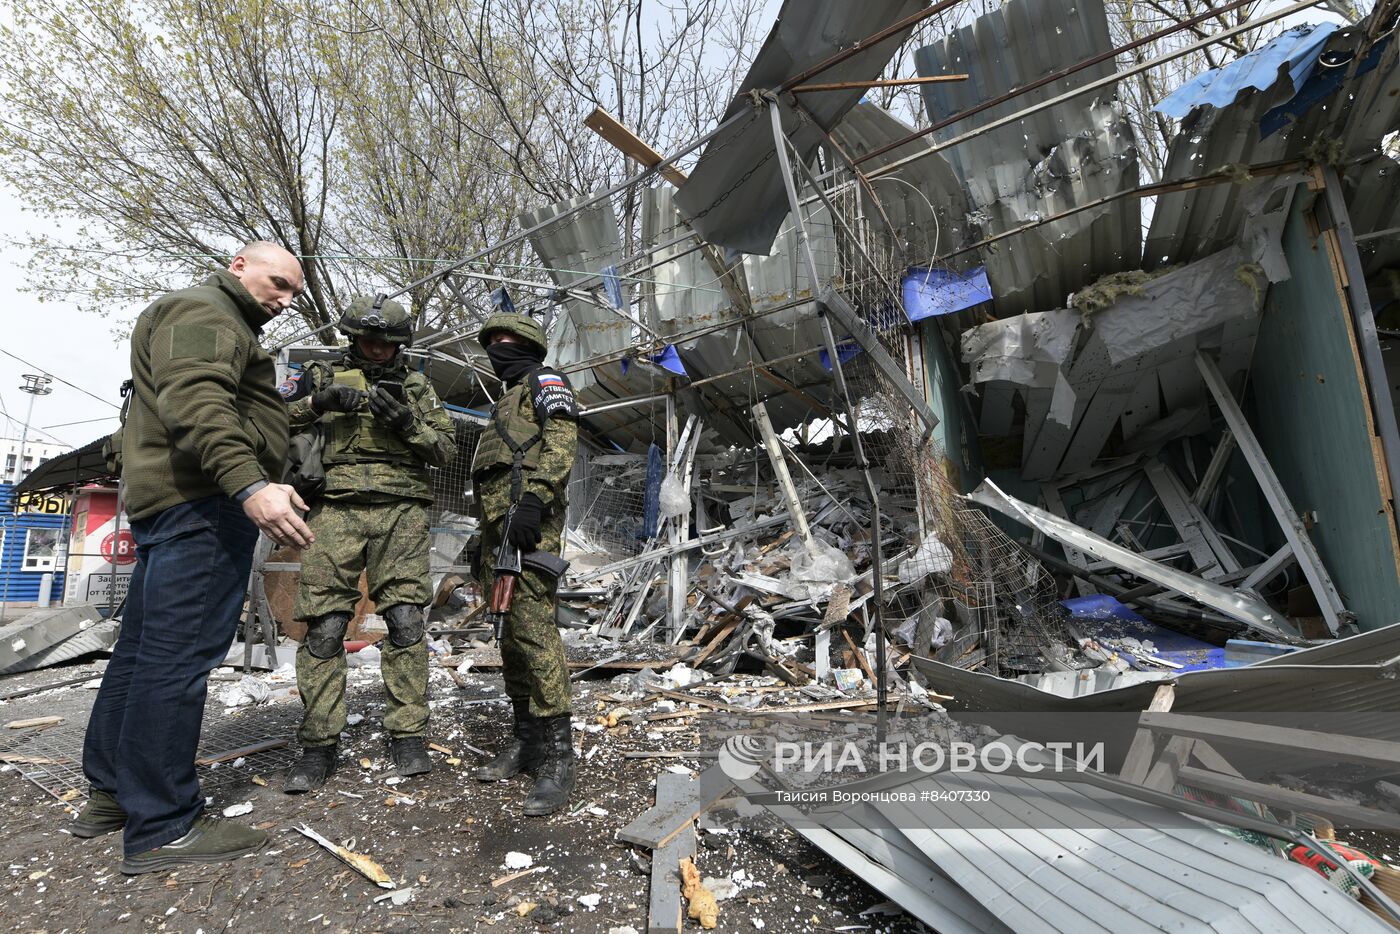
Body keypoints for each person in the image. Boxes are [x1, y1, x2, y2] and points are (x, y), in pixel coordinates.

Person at [76, 241, 313, 874]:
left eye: (293, 291)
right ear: (239, 265)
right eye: (278, 282)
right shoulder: (208, 313)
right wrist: (249, 483)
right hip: (204, 505)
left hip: (171, 503)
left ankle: (110, 795)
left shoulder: (202, 316)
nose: (285, 300)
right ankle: (162, 823)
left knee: (141, 653)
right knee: (177, 661)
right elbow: (197, 404)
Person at [281, 296, 457, 792]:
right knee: (325, 626)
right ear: (352, 338)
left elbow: (445, 449)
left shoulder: (417, 386)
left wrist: (406, 422)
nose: (377, 350)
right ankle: (318, 744)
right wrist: (318, 403)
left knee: (404, 620)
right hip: (334, 506)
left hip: (402, 508)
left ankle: (408, 734)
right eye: (368, 340)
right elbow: (270, 422)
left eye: (387, 342)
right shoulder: (319, 376)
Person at [470, 311, 579, 816]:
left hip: (529, 523)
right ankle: (526, 740)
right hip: (498, 527)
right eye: (491, 342)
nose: (497, 348)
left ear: (530, 344)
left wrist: (535, 499)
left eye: (507, 340)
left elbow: (560, 443)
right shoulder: (504, 400)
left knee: (534, 631)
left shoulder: (545, 380)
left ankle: (559, 758)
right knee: (510, 635)